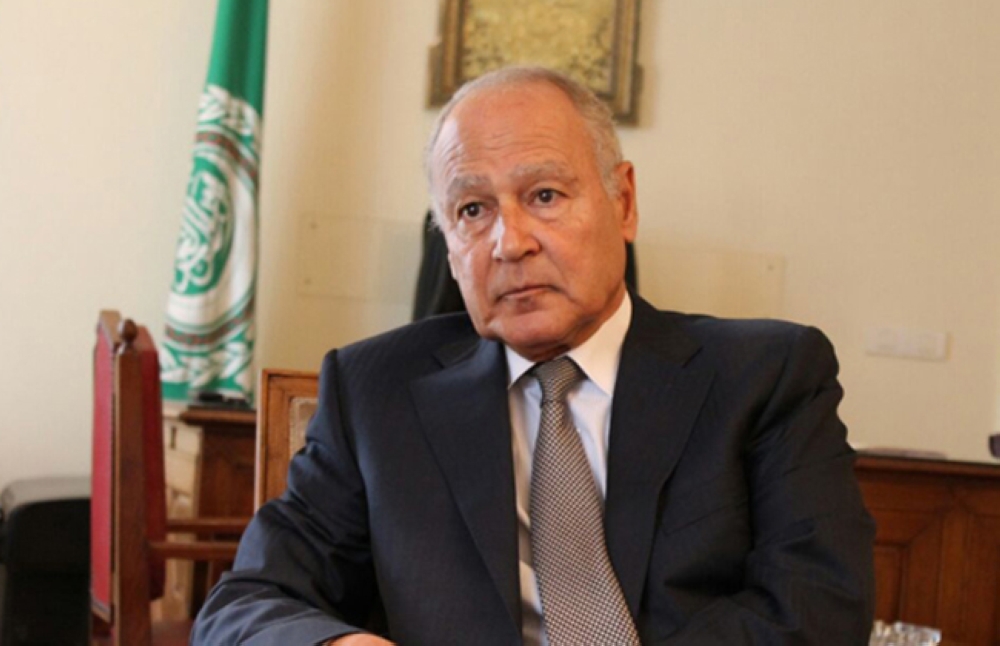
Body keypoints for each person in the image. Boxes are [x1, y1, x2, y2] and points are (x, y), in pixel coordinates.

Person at [192, 66, 875, 645]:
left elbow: (818, 608)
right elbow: (245, 604)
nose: (509, 242)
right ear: (447, 241)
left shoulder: (767, 375)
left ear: (624, 202)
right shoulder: (375, 391)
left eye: (544, 196)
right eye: (472, 210)